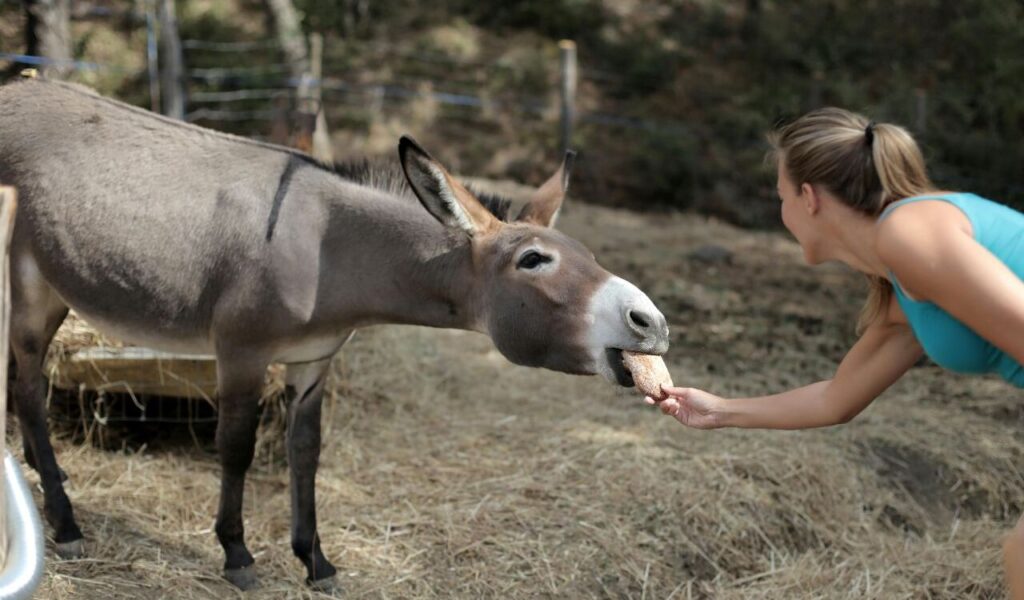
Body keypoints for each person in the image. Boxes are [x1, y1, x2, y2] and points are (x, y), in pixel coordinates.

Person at [644, 107, 1024, 595]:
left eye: (780, 197)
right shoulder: (903, 287)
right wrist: (718, 411)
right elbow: (836, 399)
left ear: (808, 199)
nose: (781, 213)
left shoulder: (911, 234)